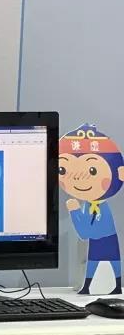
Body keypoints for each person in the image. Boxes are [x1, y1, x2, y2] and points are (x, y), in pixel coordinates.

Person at [58, 123, 124, 295]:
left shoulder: (99, 207)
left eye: (93, 170)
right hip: (98, 245)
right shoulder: (90, 204)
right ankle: (88, 286)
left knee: (100, 266)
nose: (78, 178)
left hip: (102, 244)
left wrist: (74, 211)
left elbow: (85, 232)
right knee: (94, 265)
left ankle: (101, 286)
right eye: (63, 169)